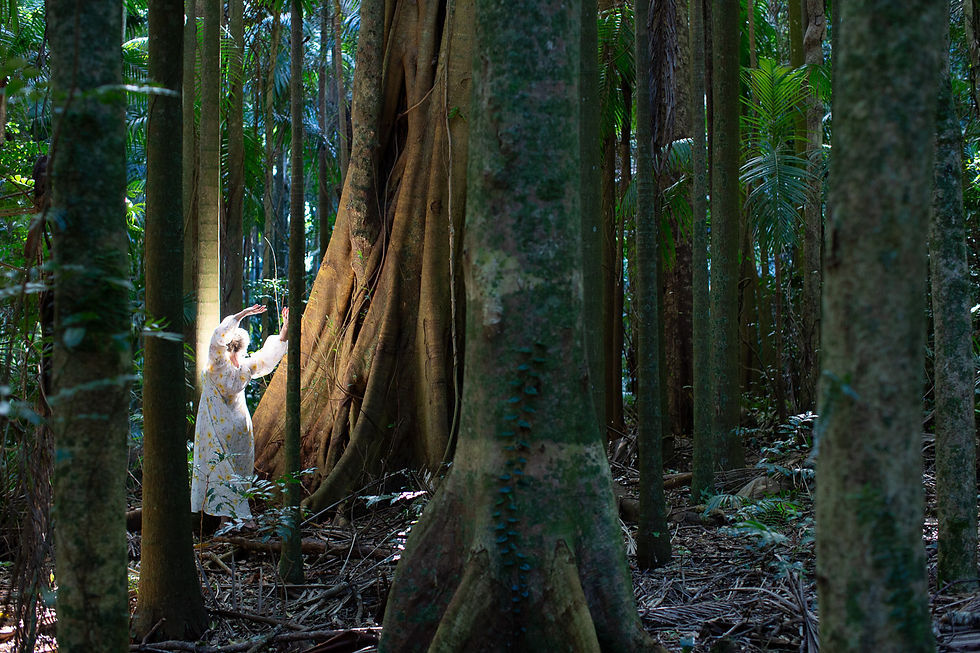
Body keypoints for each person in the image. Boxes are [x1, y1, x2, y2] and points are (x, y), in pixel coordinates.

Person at [190, 304, 288, 520]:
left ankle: (226, 519)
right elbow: (267, 357)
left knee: (218, 469)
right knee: (235, 470)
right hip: (239, 427)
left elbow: (217, 337)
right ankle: (230, 519)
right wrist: (284, 331)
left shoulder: (216, 365)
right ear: (242, 348)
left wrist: (241, 315)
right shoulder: (245, 367)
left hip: (213, 428)